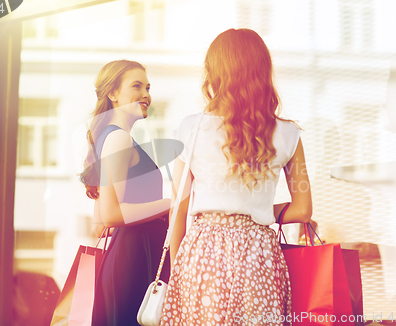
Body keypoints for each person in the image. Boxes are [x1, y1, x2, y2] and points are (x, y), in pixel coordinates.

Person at [160, 29, 312, 326]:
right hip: (259, 253)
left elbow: (178, 207)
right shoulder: (288, 134)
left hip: (203, 253)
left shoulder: (192, 128)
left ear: (214, 72)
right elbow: (303, 209)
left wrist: (176, 272)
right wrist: (260, 211)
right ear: (262, 70)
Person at [79, 60, 171, 326]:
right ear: (113, 93)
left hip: (128, 259)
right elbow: (110, 215)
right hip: (134, 263)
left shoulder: (109, 137)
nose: (146, 94)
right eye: (136, 86)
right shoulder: (118, 139)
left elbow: (99, 225)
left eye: (148, 87)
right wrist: (169, 204)